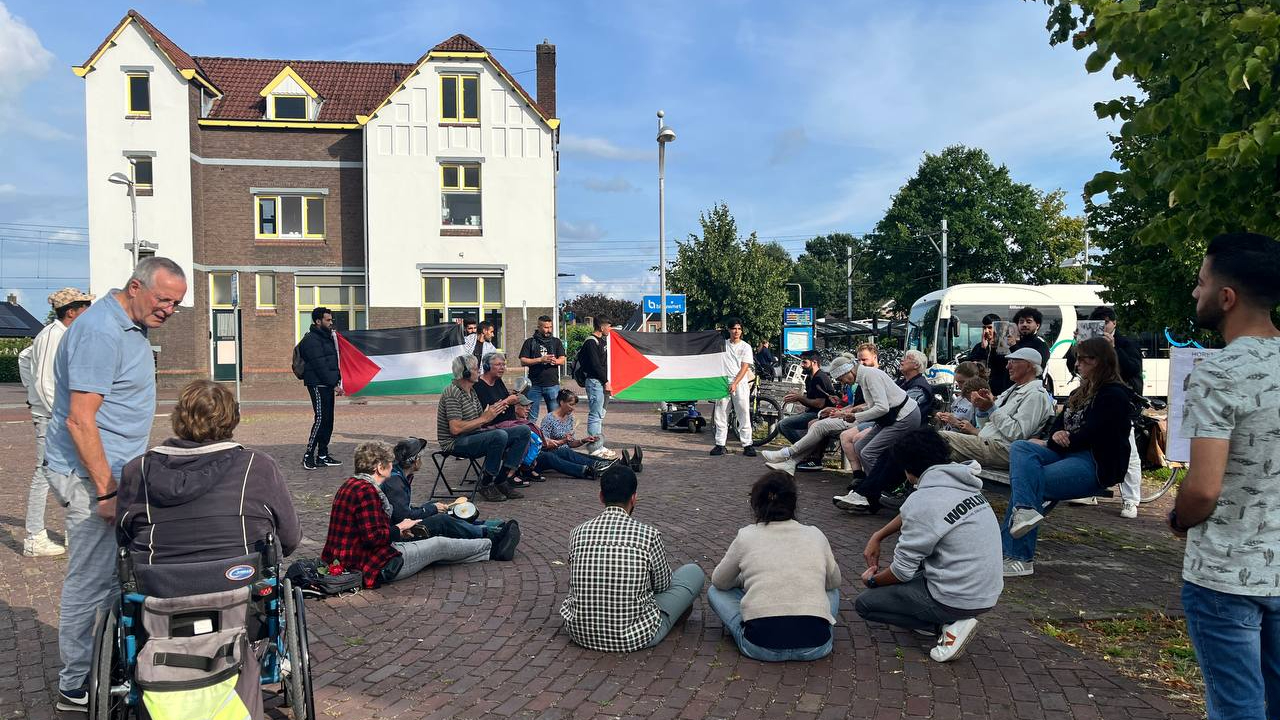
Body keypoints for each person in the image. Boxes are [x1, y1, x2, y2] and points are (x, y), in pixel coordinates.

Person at [43, 256, 187, 712]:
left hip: (115, 472)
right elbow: (79, 419)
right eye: (163, 299)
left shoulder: (129, 325)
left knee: (112, 575)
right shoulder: (102, 332)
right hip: (92, 477)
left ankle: (106, 659)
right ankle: (74, 684)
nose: (168, 309)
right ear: (135, 286)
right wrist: (105, 490)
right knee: (89, 580)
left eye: (176, 304)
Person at [1170, 232, 1280, 720]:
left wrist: (1177, 519)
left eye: (1201, 283)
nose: (1196, 293)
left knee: (1235, 707)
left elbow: (1203, 489)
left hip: (1225, 574)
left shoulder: (1218, 372)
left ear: (1227, 298)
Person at [856, 427, 1002, 663]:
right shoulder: (961, 481)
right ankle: (941, 616)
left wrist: (872, 580)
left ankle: (947, 624)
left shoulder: (924, 500)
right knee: (922, 562)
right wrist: (878, 535)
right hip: (985, 591)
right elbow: (917, 512)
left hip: (957, 598)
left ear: (907, 468)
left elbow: (901, 572)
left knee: (866, 603)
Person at [1001, 338, 1133, 577]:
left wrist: (1063, 437)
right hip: (1064, 452)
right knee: (1021, 448)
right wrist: (1057, 436)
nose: (1079, 363)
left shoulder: (1114, 395)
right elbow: (1057, 428)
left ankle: (1018, 557)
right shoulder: (1077, 393)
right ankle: (1023, 515)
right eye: (1078, 358)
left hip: (1093, 461)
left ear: (1102, 362)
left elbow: (1094, 433)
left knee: (1032, 482)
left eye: (1086, 359)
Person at [560, 465, 705, 652]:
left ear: (601, 497)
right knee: (692, 572)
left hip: (579, 632)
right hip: (633, 636)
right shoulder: (649, 535)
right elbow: (662, 586)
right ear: (634, 498)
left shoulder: (577, 533)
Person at [322, 441, 498, 589]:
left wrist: (398, 530)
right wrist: (399, 528)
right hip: (372, 565)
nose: (392, 466)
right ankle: (492, 545)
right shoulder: (367, 491)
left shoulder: (350, 484)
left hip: (346, 557)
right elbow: (373, 538)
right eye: (389, 463)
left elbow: (366, 530)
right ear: (380, 467)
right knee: (439, 545)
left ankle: (486, 544)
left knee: (434, 544)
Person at [708, 472, 841, 661]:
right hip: (817, 646)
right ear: (793, 503)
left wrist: (745, 579)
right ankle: (816, 621)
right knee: (832, 590)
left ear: (756, 503)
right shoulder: (815, 534)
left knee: (715, 591)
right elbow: (834, 581)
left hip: (760, 646)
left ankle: (751, 622)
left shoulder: (746, 535)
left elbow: (719, 581)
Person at [17, 287, 93, 557]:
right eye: (84, 306)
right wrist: (55, 412)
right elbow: (45, 382)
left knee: (69, 471)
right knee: (44, 473)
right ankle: (34, 537)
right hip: (52, 418)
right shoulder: (54, 335)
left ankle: (74, 533)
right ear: (71, 311)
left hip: (54, 414)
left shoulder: (60, 334)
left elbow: (24, 357)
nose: (88, 310)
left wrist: (31, 393)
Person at [1066, 306, 1146, 519]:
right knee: (1091, 444)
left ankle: (1130, 500)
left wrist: (1113, 348)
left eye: (1106, 323)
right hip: (1090, 397)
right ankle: (1090, 490)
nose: (1103, 327)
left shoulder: (1126, 343)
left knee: (1127, 449)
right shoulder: (1088, 344)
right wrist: (1076, 344)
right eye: (1097, 324)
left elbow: (1133, 369)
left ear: (1114, 324)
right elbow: (1071, 366)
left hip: (1120, 401)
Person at [382, 436, 521, 550]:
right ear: (415, 460)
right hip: (400, 532)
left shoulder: (399, 477)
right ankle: (490, 533)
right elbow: (402, 517)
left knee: (441, 510)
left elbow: (402, 510)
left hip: (399, 524)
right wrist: (431, 509)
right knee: (442, 520)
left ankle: (482, 525)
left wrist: (430, 507)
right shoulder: (395, 482)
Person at [938, 348, 1055, 472]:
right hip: (988, 444)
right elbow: (987, 426)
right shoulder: (1013, 390)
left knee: (939, 438)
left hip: (1004, 450)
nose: (1007, 366)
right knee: (937, 451)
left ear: (1029, 366)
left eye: (1013, 362)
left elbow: (1018, 435)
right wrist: (982, 409)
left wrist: (991, 409)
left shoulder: (1035, 395)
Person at [436, 355, 529, 502]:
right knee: (499, 435)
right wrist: (485, 418)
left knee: (523, 431)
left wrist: (492, 412)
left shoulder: (471, 392)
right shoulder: (452, 392)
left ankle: (501, 479)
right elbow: (455, 429)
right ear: (465, 373)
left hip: (474, 435)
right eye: (475, 369)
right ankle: (486, 483)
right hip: (456, 442)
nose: (478, 371)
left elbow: (481, 419)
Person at [299, 306, 343, 470]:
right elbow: (320, 365)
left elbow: (333, 361)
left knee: (328, 420)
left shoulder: (328, 337)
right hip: (317, 384)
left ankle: (323, 455)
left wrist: (337, 381)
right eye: (328, 320)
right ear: (318, 321)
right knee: (320, 419)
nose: (331, 322)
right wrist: (334, 384)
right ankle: (308, 455)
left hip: (328, 383)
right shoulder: (311, 340)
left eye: (331, 319)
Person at [778, 350, 837, 472]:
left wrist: (799, 398)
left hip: (820, 414)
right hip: (812, 413)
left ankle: (806, 452)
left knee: (784, 424)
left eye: (804, 362)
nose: (801, 365)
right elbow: (810, 399)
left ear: (814, 362)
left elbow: (820, 404)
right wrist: (800, 398)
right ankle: (807, 452)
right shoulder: (810, 378)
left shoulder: (820, 378)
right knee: (784, 425)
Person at [711, 318, 757, 457]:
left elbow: (745, 367)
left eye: (739, 329)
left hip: (740, 383)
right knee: (720, 414)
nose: (736, 331)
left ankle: (747, 444)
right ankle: (720, 444)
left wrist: (735, 383)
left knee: (743, 413)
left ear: (741, 331)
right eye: (733, 328)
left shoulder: (745, 347)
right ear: (729, 330)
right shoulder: (722, 345)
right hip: (724, 383)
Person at [577, 316, 618, 460]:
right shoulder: (591, 342)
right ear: (601, 327)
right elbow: (595, 365)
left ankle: (599, 445)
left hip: (602, 382)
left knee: (600, 415)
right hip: (596, 382)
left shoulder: (603, 341)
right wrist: (606, 381)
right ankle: (594, 448)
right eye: (609, 326)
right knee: (595, 415)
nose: (610, 329)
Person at [989, 308, 1050, 395]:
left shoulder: (1040, 344)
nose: (1024, 324)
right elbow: (997, 366)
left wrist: (1013, 346)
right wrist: (994, 349)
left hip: (1028, 391)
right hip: (1007, 391)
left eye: (1029, 322)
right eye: (1021, 322)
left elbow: (1034, 365)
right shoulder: (1012, 342)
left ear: (1037, 325)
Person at [519, 315, 567, 422]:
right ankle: (532, 438)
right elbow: (523, 361)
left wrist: (555, 361)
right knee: (531, 418)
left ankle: (553, 439)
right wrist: (540, 360)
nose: (548, 330)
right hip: (534, 385)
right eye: (546, 327)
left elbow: (562, 359)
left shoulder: (556, 342)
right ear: (539, 327)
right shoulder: (530, 342)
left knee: (555, 418)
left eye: (550, 327)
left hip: (552, 385)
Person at [937, 361, 989, 432]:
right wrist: (944, 418)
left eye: (962, 382)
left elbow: (981, 433)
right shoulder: (960, 398)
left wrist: (956, 423)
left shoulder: (981, 401)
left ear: (974, 379)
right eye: (957, 382)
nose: (959, 386)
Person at [474, 352, 520, 425]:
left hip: (510, 423)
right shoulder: (478, 385)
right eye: (498, 364)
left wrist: (510, 395)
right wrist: (507, 401)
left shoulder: (498, 380)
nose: (502, 367)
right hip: (495, 427)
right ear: (487, 366)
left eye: (503, 364)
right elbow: (488, 411)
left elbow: (501, 397)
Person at [898, 349, 935, 420]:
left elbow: (903, 408)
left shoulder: (919, 387)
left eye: (908, 358)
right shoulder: (901, 382)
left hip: (909, 427)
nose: (902, 360)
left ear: (916, 365)